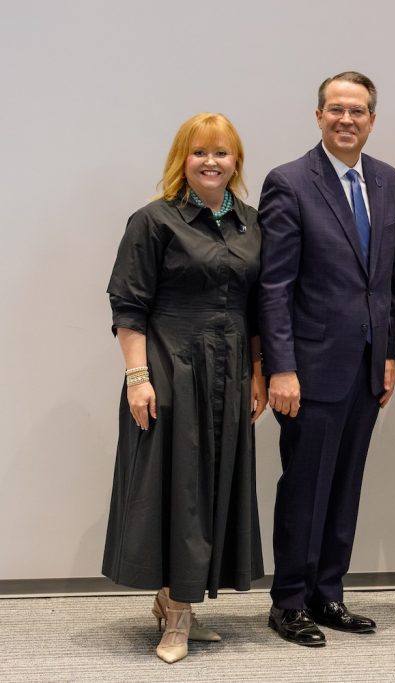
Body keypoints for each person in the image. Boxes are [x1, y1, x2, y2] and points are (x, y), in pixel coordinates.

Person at [102, 113, 266, 664]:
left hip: (232, 366)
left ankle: (182, 600)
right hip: (171, 366)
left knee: (215, 486)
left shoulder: (249, 222)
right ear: (183, 159)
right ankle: (175, 614)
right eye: (200, 152)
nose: (212, 162)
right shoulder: (154, 220)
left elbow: (258, 307)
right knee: (178, 489)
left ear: (235, 160)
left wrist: (258, 376)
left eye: (222, 152)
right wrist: (138, 376)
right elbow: (129, 304)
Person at [258, 71, 395, 647]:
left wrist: (388, 354)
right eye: (337, 110)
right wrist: (281, 367)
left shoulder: (388, 181)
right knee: (305, 486)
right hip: (309, 369)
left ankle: (327, 593)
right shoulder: (290, 182)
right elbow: (273, 287)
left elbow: (388, 281)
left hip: (367, 367)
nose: (348, 120)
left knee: (345, 485)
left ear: (372, 119)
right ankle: (289, 601)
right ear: (318, 116)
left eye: (359, 111)